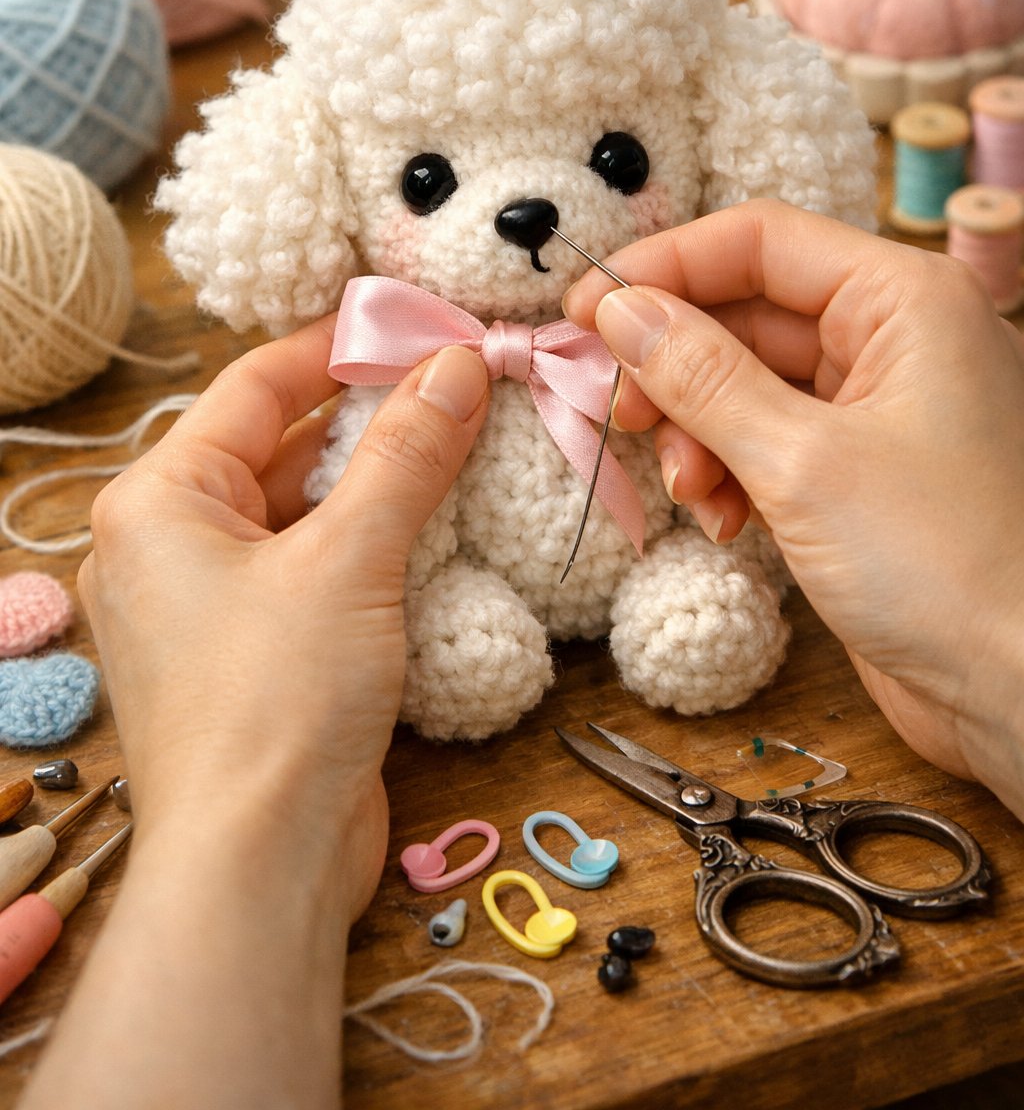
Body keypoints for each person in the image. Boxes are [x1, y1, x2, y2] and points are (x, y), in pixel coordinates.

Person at [21, 198, 1024, 1108]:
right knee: (462, 618)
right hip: (475, 594)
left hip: (647, 552)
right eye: (426, 179)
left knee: (706, 560)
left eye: (615, 166)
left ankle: (679, 594)